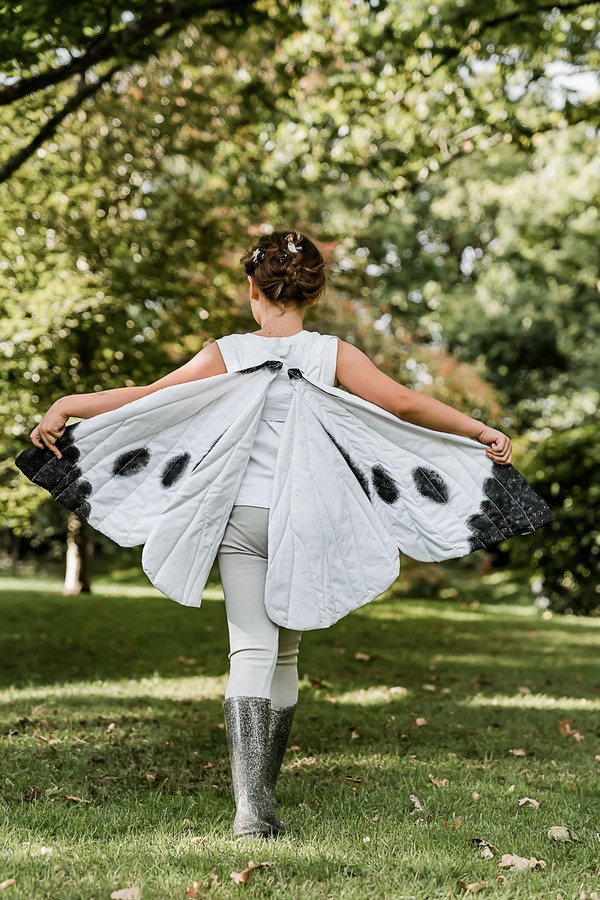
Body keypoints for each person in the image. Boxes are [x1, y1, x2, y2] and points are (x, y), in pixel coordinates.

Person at [29, 229, 512, 840]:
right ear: (314, 292)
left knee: (250, 651)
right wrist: (477, 430)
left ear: (253, 289)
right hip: (307, 521)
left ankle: (252, 806)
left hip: (241, 521)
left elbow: (148, 400)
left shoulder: (226, 351)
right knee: (285, 653)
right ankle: (258, 798)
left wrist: (69, 402)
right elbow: (404, 404)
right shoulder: (333, 354)